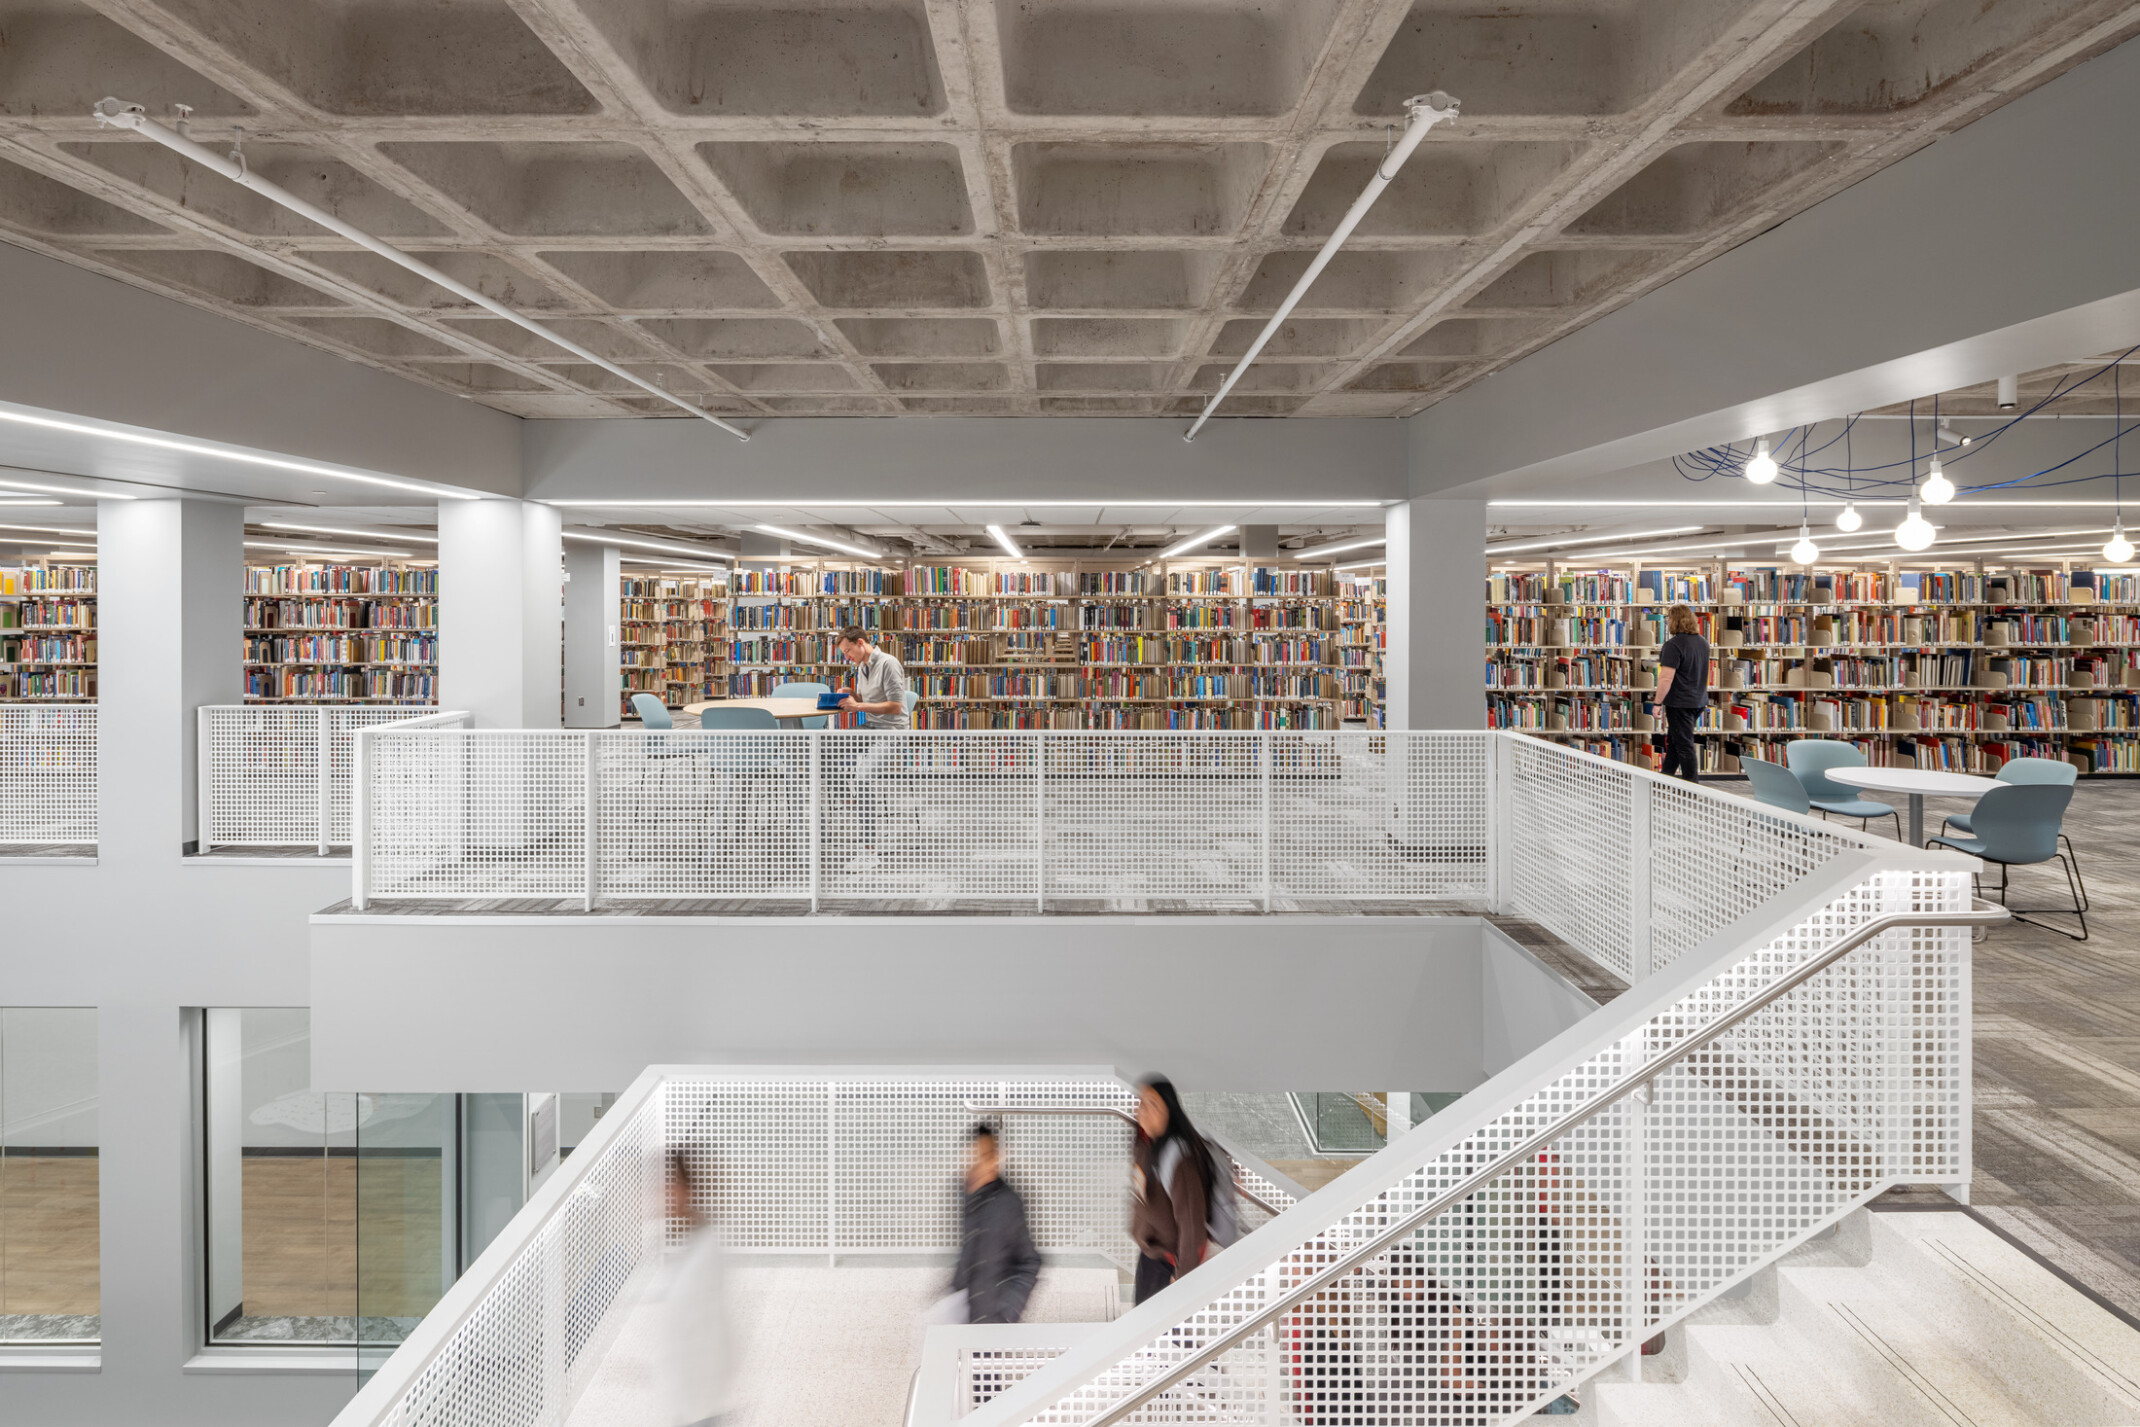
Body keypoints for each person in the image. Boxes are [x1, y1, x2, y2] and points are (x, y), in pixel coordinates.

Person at [657, 1149, 731, 1427]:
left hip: (698, 1408)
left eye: (667, 1186)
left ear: (683, 1189)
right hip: (692, 1405)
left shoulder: (706, 1254)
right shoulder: (689, 1245)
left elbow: (705, 1337)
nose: (662, 1196)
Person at [1129, 1076, 1214, 1304]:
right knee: (1152, 1332)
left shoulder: (1178, 1159)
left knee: (1162, 1335)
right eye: (1141, 1102)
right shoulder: (1147, 1145)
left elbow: (1191, 1223)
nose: (1142, 1109)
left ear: (1169, 1111)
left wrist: (1182, 1276)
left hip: (1168, 1265)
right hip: (1151, 1256)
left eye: (1152, 1104)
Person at [949, 1123, 1042, 1324]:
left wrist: (1009, 1310)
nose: (981, 1165)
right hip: (963, 1316)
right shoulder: (963, 1196)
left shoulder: (1008, 1203)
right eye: (975, 1157)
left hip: (996, 1321)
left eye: (987, 1157)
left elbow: (1030, 1261)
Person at [834, 626, 910, 872]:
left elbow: (895, 707)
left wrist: (858, 707)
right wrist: (851, 695)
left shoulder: (888, 664)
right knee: (823, 747)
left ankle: (869, 851)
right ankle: (847, 797)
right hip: (871, 727)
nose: (847, 657)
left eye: (848, 651)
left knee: (863, 778)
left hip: (892, 732)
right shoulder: (862, 666)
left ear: (860, 643)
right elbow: (868, 701)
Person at [1653, 604, 1709, 784]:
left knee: (1683, 744)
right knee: (1676, 741)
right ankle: (1665, 780)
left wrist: (1657, 703)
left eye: (1669, 618)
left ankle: (1691, 787)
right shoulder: (1702, 642)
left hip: (1680, 703)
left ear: (1675, 621)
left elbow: (1665, 679)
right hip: (1698, 700)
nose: (1667, 621)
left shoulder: (1673, 645)